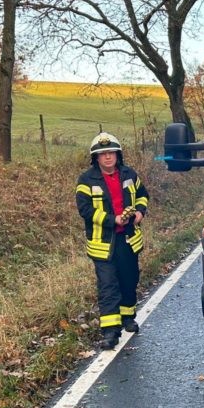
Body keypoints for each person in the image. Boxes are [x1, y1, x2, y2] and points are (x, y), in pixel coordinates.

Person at [76, 132, 149, 350]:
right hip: (103, 242)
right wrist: (111, 219)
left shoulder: (129, 174)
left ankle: (128, 317)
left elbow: (143, 195)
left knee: (129, 279)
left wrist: (140, 213)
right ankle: (110, 331)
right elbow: (85, 210)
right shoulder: (86, 180)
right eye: (102, 154)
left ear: (118, 155)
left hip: (128, 238)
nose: (108, 157)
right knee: (108, 285)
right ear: (95, 158)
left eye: (111, 153)